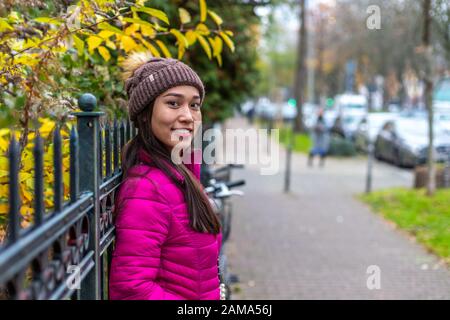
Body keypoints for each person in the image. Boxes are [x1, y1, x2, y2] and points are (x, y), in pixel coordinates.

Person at [109, 52, 222, 300]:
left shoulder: (179, 176)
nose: (188, 116)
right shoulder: (148, 188)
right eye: (173, 103)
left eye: (194, 105)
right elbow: (132, 289)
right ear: (145, 113)